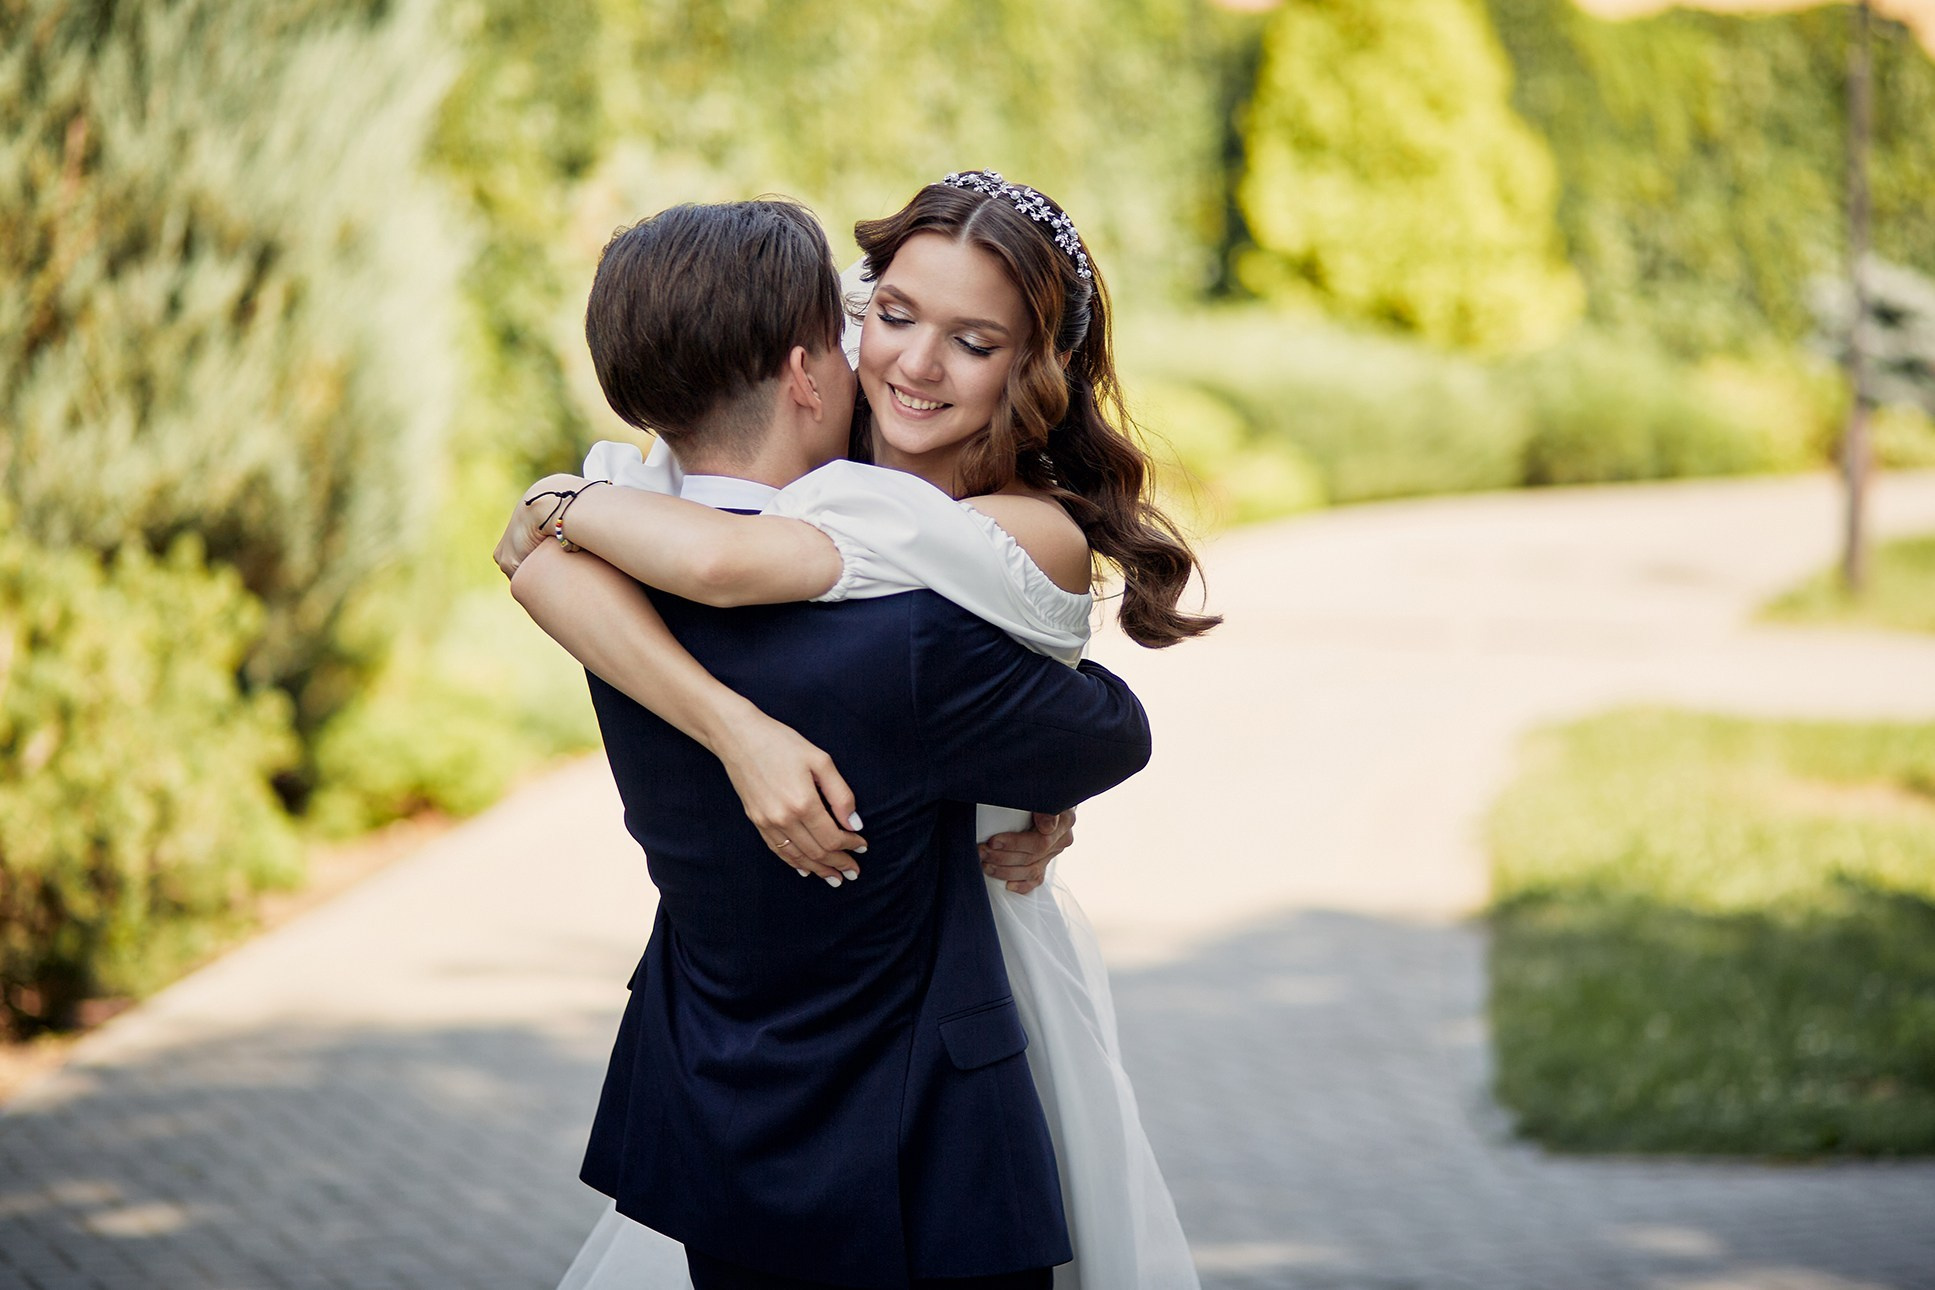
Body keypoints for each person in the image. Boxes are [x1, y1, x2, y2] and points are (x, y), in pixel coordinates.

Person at [502, 175, 1214, 1288]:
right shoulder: (808, 437)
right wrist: (741, 732)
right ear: (846, 323)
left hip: (956, 967)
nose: (913, 366)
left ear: (1030, 372)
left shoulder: (996, 531)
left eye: (974, 342)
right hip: (815, 1037)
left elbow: (712, 562)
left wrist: (555, 507)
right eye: (891, 317)